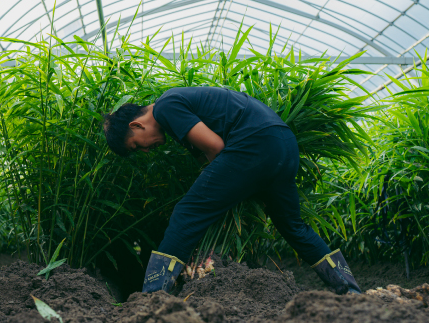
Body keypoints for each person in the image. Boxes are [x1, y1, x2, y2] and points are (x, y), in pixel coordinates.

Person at [103, 86, 361, 295]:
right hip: (282, 144)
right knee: (292, 226)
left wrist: (216, 188)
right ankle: (350, 290)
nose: (146, 151)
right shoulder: (175, 104)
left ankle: (152, 296)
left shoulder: (165, 107)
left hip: (254, 145)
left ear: (137, 126)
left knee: (187, 211)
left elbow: (215, 146)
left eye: (137, 146)